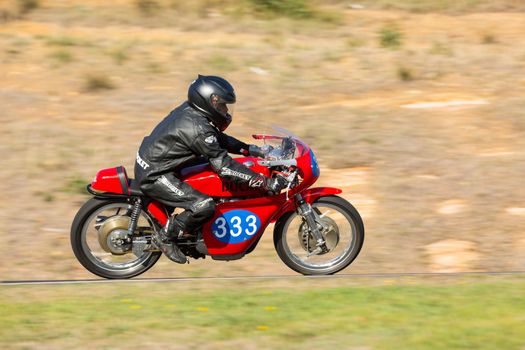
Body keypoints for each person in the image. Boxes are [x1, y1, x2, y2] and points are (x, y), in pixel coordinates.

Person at [134, 75, 287, 263]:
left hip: (163, 163)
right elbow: (224, 166)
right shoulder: (197, 128)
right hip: (155, 173)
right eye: (222, 105)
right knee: (203, 205)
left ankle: (193, 232)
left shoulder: (194, 114)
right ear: (210, 101)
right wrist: (264, 182)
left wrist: (251, 149)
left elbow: (217, 139)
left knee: (208, 179)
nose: (225, 110)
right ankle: (166, 237)